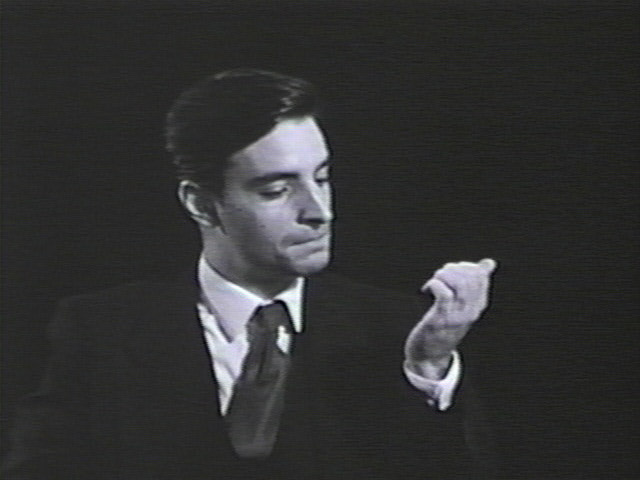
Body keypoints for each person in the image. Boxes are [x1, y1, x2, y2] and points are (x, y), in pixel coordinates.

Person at [3, 69, 498, 479]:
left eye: (322, 178)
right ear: (201, 204)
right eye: (277, 191)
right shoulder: (99, 331)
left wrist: (428, 369)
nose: (320, 212)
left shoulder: (400, 331)